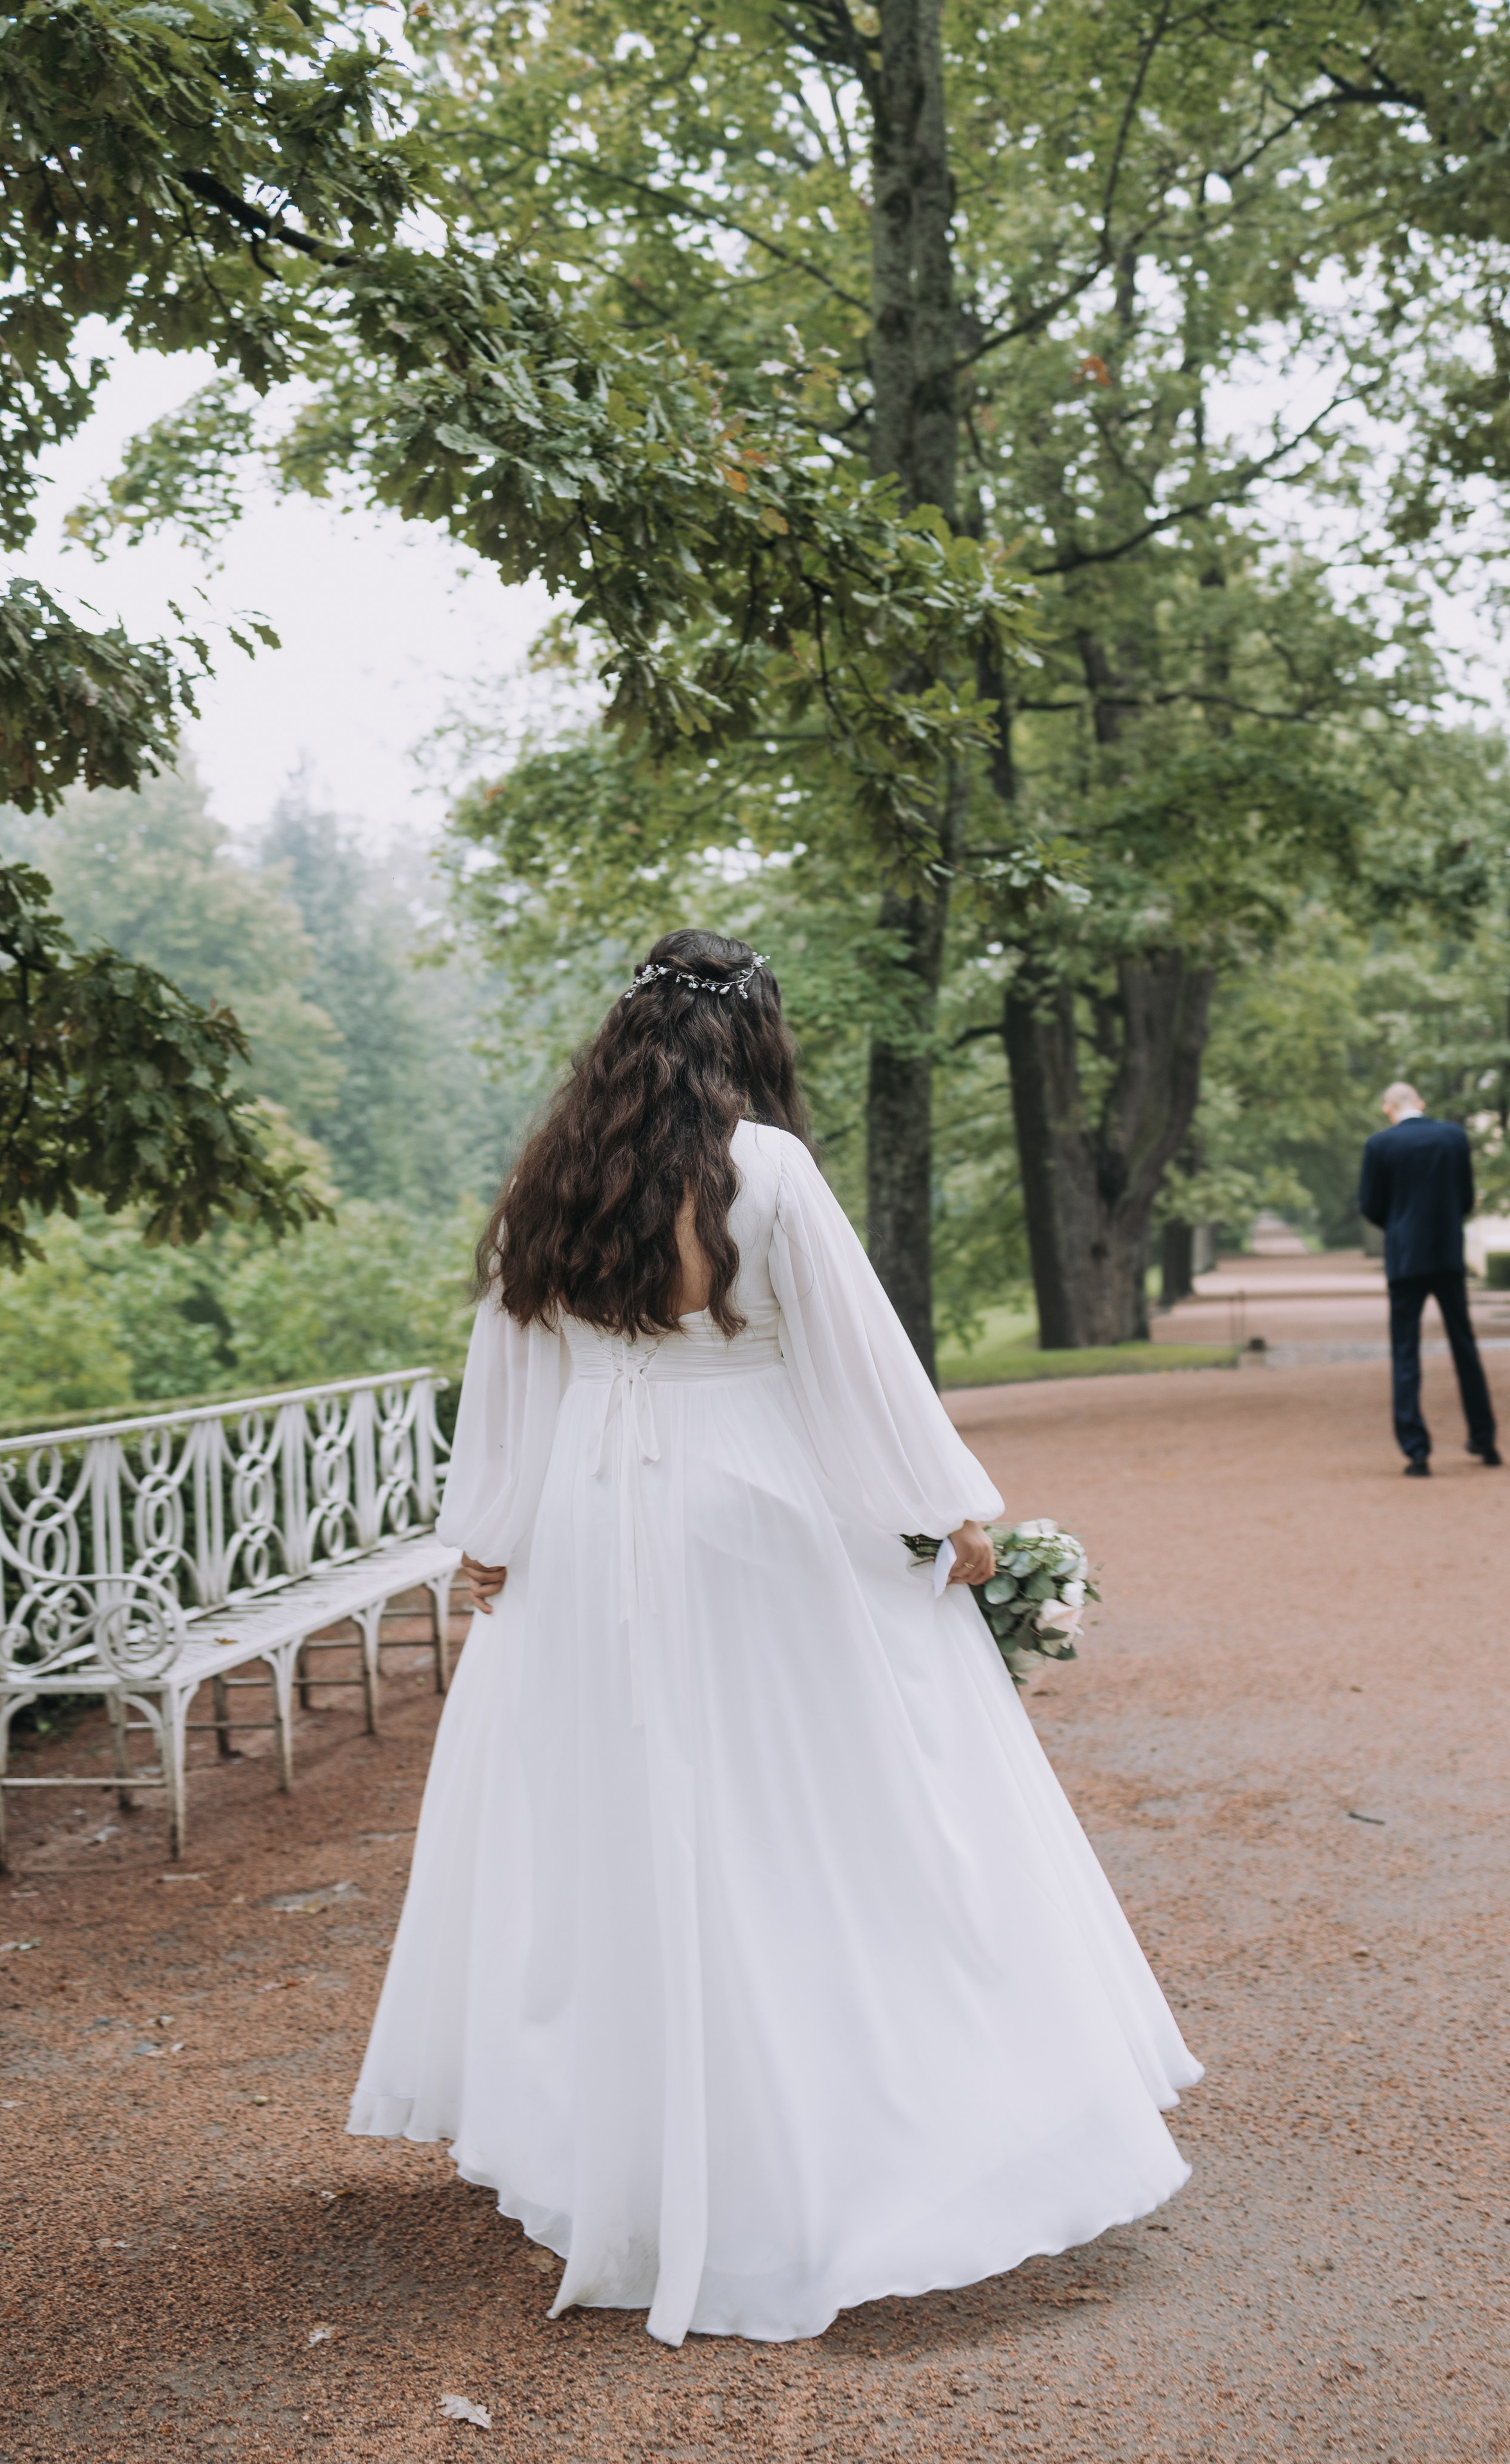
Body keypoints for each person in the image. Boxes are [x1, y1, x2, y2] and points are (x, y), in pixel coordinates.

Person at [348, 929, 1200, 2345]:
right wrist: (946, 1509)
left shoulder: (546, 1183)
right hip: (747, 1508)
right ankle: (840, 2123)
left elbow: (507, 1369)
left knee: (613, 1824)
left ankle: (633, 2147)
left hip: (585, 1522)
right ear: (749, 1037)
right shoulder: (766, 1171)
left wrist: (490, 1532)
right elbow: (854, 1360)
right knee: (817, 1806)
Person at [1358, 1081, 1499, 1477]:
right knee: (1464, 1347)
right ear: (1420, 1103)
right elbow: (1467, 1198)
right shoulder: (1454, 1138)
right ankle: (1485, 1441)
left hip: (1405, 1260)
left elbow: (1370, 1206)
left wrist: (1401, 1226)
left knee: (1406, 1353)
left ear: (1389, 1109)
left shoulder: (1380, 1146)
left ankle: (1417, 1451)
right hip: (1448, 1254)